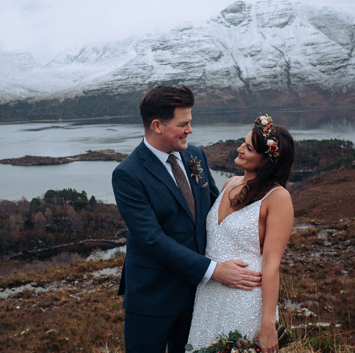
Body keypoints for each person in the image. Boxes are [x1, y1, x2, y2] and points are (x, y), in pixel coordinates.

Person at [112, 85, 262, 353]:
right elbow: (152, 240)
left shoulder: (196, 156)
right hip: (152, 297)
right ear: (157, 126)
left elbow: (218, 210)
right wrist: (215, 270)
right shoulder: (128, 174)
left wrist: (266, 203)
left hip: (198, 296)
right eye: (184, 124)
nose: (190, 130)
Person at [186, 114, 296, 353]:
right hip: (209, 294)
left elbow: (271, 264)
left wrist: (267, 322)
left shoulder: (278, 198)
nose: (239, 149)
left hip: (245, 299)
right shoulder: (229, 184)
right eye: (243, 142)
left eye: (248, 147)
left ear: (267, 160)